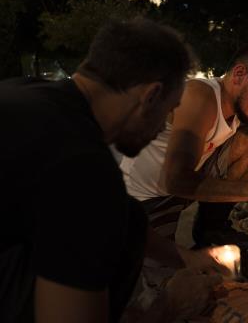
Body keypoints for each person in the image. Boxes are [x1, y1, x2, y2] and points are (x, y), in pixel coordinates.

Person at [0, 19, 223, 323]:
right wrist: (169, 307)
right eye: (170, 110)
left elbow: (112, 215)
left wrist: (184, 256)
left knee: (126, 216)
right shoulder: (83, 168)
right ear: (151, 96)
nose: (164, 125)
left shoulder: (27, 94)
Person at [120, 44, 248, 250]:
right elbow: (176, 180)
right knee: (171, 277)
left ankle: (211, 229)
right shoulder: (199, 96)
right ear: (239, 74)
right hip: (146, 200)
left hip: (182, 189)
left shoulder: (238, 110)